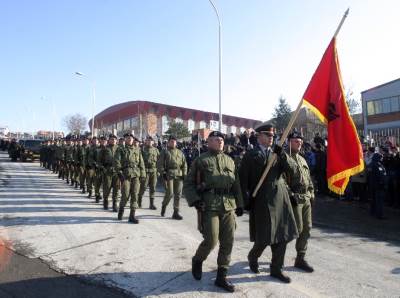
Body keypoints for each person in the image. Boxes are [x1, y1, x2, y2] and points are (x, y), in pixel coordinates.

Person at [183, 131, 243, 292]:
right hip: (209, 205)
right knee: (211, 240)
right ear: (208, 142)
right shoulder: (201, 160)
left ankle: (221, 277)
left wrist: (241, 204)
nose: (220, 141)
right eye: (216, 139)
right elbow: (188, 183)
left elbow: (236, 184)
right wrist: (195, 200)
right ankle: (198, 259)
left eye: (222, 139)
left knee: (228, 241)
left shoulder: (230, 160)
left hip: (228, 205)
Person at [239, 123, 298, 283]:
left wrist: (282, 155)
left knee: (283, 235)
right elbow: (242, 180)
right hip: (261, 199)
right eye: (268, 135)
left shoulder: (278, 152)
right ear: (259, 136)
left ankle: (276, 269)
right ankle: (253, 255)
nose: (271, 138)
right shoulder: (251, 155)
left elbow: (292, 170)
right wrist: (243, 202)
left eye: (272, 136)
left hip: (280, 198)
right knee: (265, 236)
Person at [285, 131, 315, 273]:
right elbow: (281, 181)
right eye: (296, 141)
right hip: (294, 199)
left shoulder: (302, 159)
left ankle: (300, 258)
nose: (300, 143)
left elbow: (308, 179)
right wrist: (291, 195)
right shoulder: (283, 158)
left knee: (307, 228)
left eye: (301, 141)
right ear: (289, 142)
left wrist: (311, 193)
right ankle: (276, 255)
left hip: (306, 198)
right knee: (295, 230)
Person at [117, 133, 145, 223]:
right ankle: (121, 209)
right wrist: (120, 173)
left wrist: (143, 175)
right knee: (125, 195)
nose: (129, 139)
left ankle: (132, 216)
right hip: (126, 175)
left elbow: (141, 163)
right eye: (128, 138)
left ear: (133, 140)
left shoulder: (137, 150)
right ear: (125, 139)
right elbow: (116, 161)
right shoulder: (121, 149)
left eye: (131, 138)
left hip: (136, 174)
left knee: (135, 195)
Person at [157, 135, 187, 220]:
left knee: (178, 194)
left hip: (179, 175)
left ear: (176, 143)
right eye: (171, 141)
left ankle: (176, 212)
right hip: (169, 175)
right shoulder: (165, 152)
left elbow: (184, 165)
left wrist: (184, 174)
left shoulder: (180, 152)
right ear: (168, 142)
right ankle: (164, 205)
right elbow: (160, 164)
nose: (173, 142)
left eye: (174, 141)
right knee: (169, 193)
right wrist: (163, 173)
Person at [99, 134, 120, 211]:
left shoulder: (119, 149)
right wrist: (102, 168)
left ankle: (115, 204)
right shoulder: (105, 149)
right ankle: (105, 201)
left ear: (116, 141)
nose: (113, 140)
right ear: (109, 140)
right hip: (107, 171)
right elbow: (99, 160)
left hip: (117, 171)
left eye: (114, 139)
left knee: (116, 189)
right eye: (111, 139)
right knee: (107, 188)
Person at [138, 136, 159, 209]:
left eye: (151, 141)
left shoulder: (156, 150)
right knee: (143, 187)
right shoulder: (142, 150)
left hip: (154, 171)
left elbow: (159, 161)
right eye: (148, 140)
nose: (149, 142)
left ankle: (151, 204)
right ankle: (139, 201)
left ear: (153, 142)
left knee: (153, 188)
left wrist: (158, 171)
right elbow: (139, 161)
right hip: (145, 171)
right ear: (145, 141)